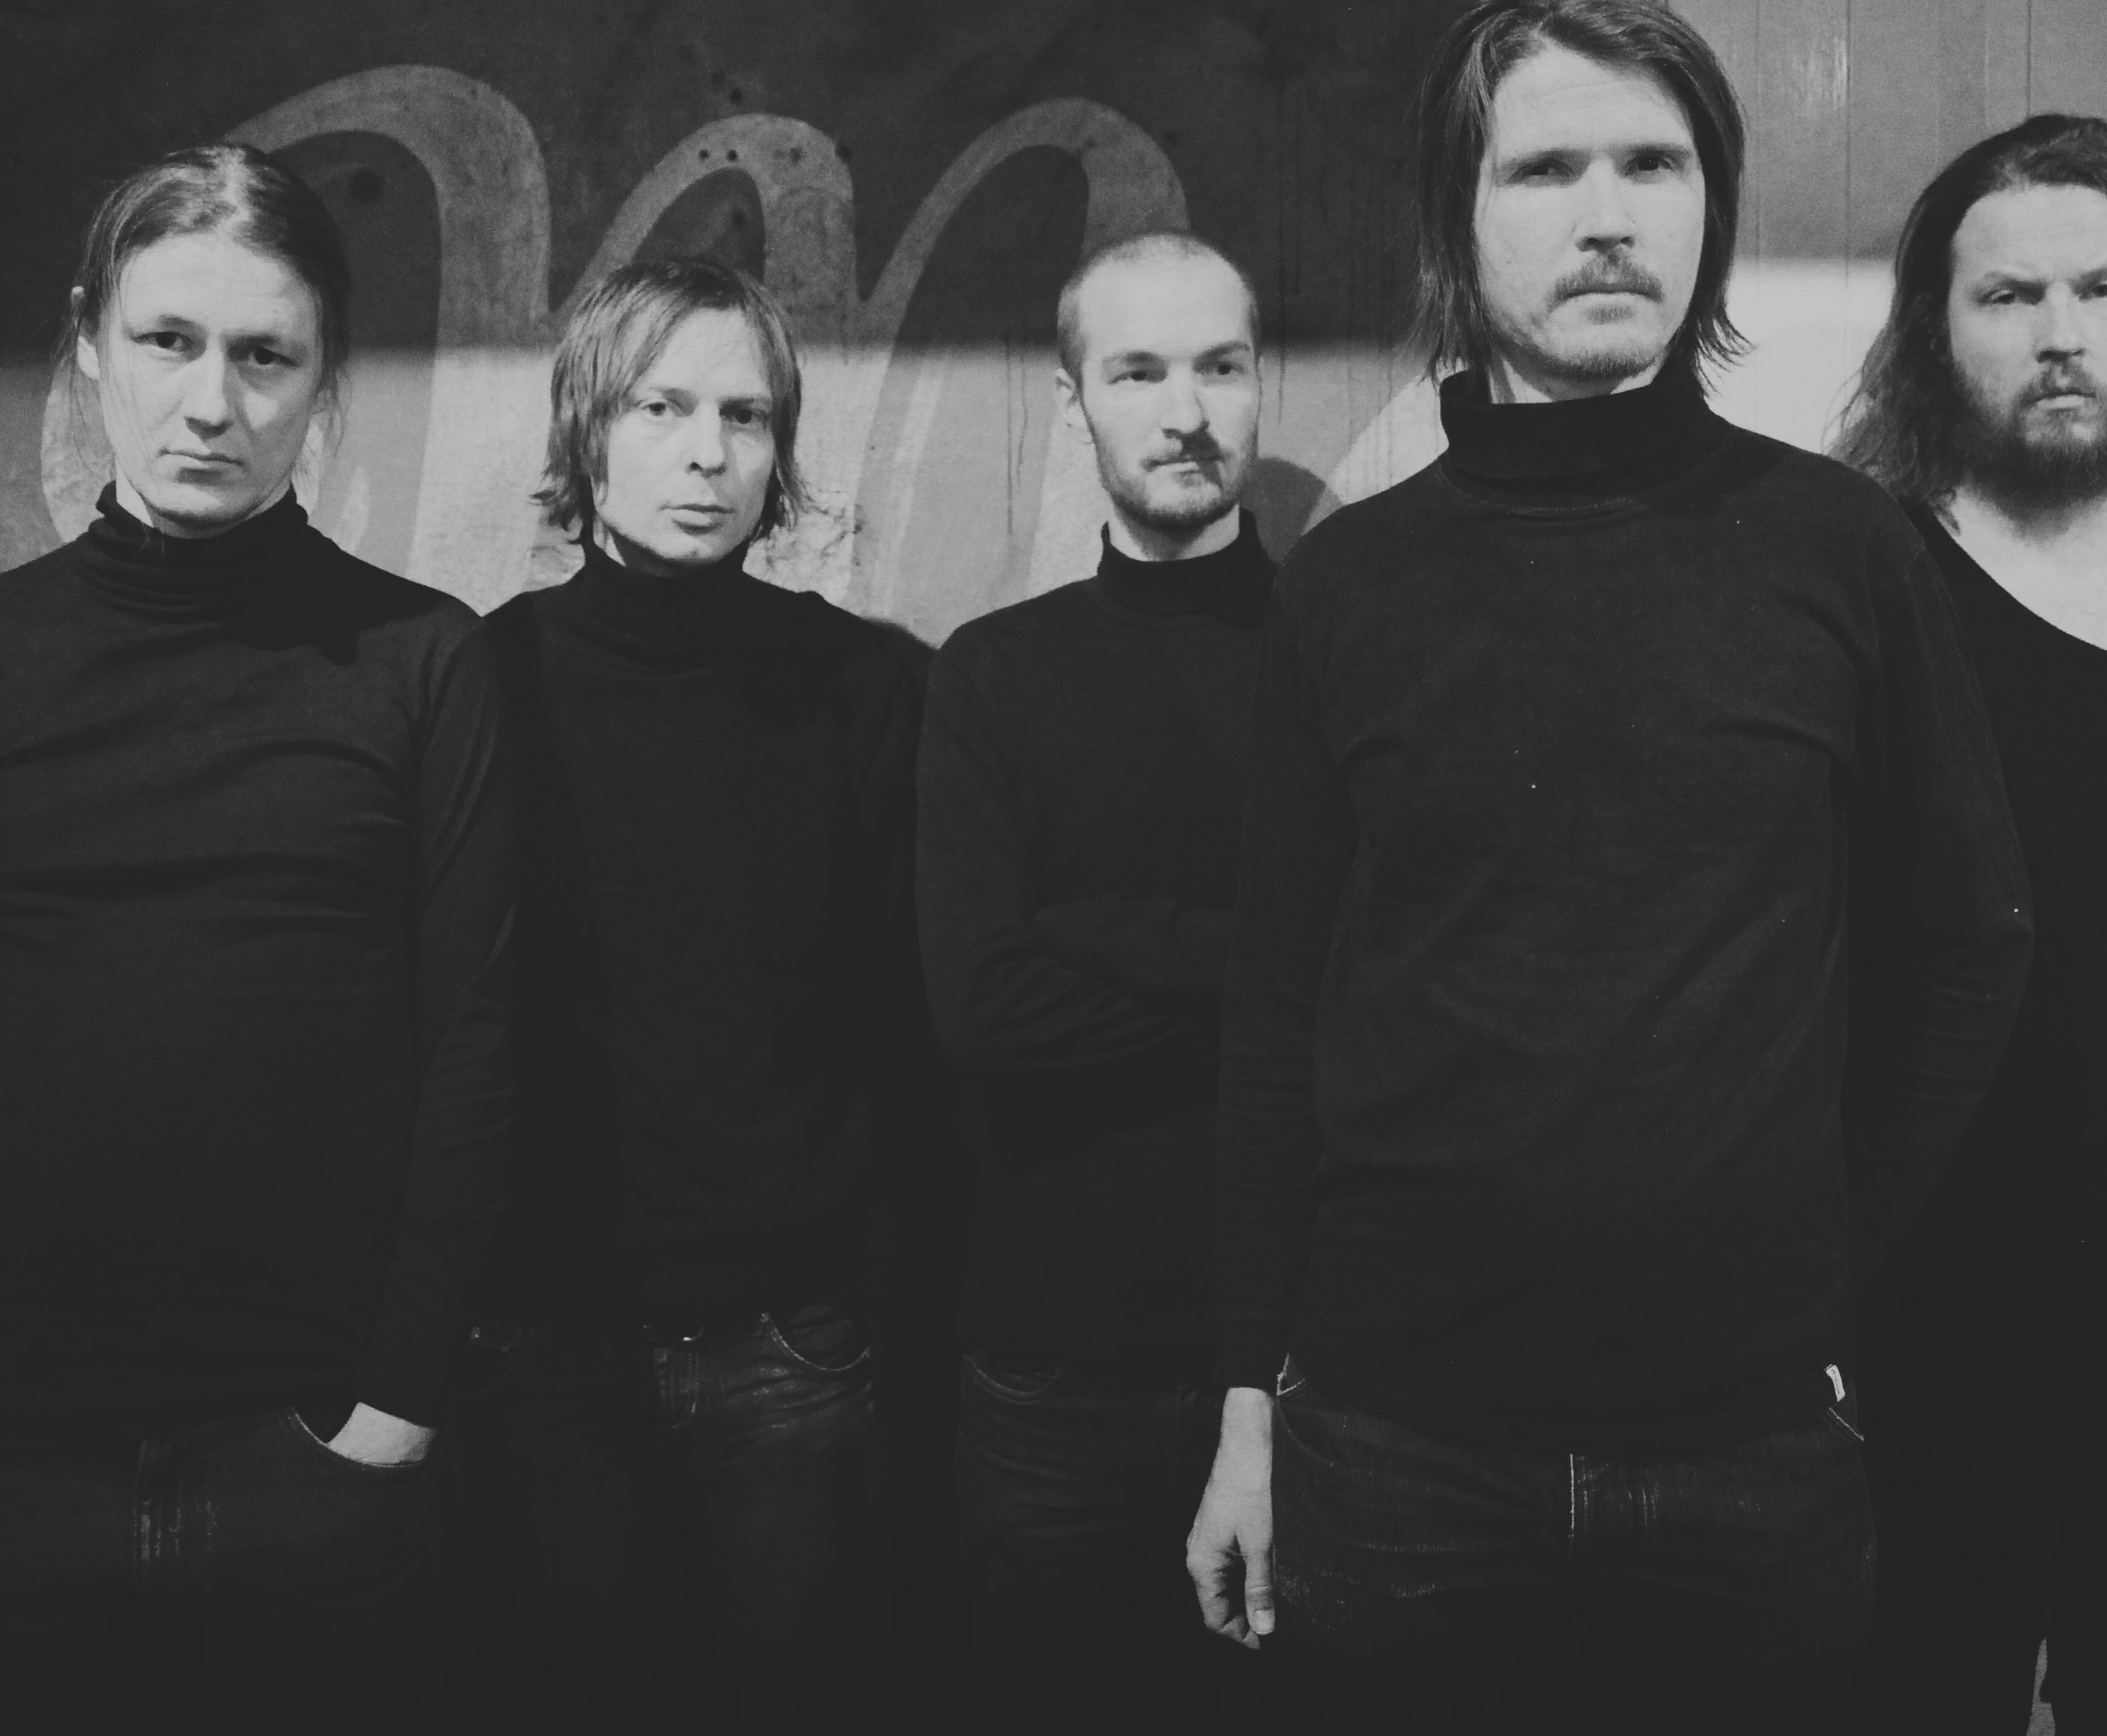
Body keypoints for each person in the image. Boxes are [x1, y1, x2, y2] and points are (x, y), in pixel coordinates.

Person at [1184, 0, 2035, 1732]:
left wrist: (1831, 1262)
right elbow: (1274, 1014)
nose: (1606, 214)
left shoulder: (1841, 551)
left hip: (1745, 1448)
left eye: (1653, 163)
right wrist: (1243, 1400)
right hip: (1394, 1440)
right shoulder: (1349, 585)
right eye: (1544, 168)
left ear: (1710, 205)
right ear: (1456, 216)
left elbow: (1973, 938)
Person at [0, 143, 515, 1720]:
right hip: (26, 1470)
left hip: (315, 1462)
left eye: (264, 356)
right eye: (167, 340)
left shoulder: (420, 660)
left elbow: (479, 1042)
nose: (210, 402)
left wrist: (394, 1404)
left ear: (324, 378)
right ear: (90, 343)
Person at [1835, 114, 2107, 1735]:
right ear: (1931, 330)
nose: (2058, 333)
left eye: (2100, 287)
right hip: (1926, 1354)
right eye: (2008, 294)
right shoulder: (1855, 594)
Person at [459, 256, 928, 1725]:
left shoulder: (867, 686)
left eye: (745, 415)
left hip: (789, 1335)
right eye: (660, 407)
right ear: (586, 427)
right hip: (549, 1337)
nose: (708, 452)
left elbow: (910, 1030)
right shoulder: (482, 680)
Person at [918, 231, 1274, 1725]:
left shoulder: (1346, 653)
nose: (1185, 411)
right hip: (1046, 1366)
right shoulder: (994, 674)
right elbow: (983, 1008)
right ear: (1074, 401)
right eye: (1138, 372)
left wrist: (1103, 931)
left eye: (1219, 366)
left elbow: (1379, 984)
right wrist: (1255, 972)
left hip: (1298, 1366)